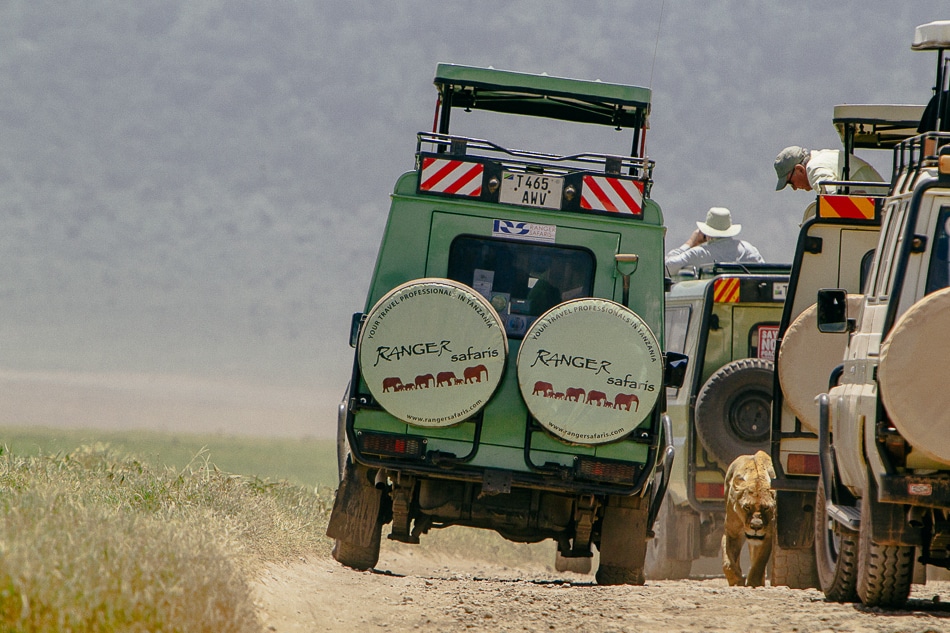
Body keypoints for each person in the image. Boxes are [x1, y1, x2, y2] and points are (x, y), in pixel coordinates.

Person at [665, 207, 764, 276]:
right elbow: (766, 271)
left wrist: (691, 242)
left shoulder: (700, 253)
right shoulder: (748, 249)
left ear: (706, 233)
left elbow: (666, 267)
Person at [774, 145, 885, 195]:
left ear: (800, 170)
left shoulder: (814, 168)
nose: (794, 188)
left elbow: (831, 199)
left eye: (790, 182)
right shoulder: (822, 157)